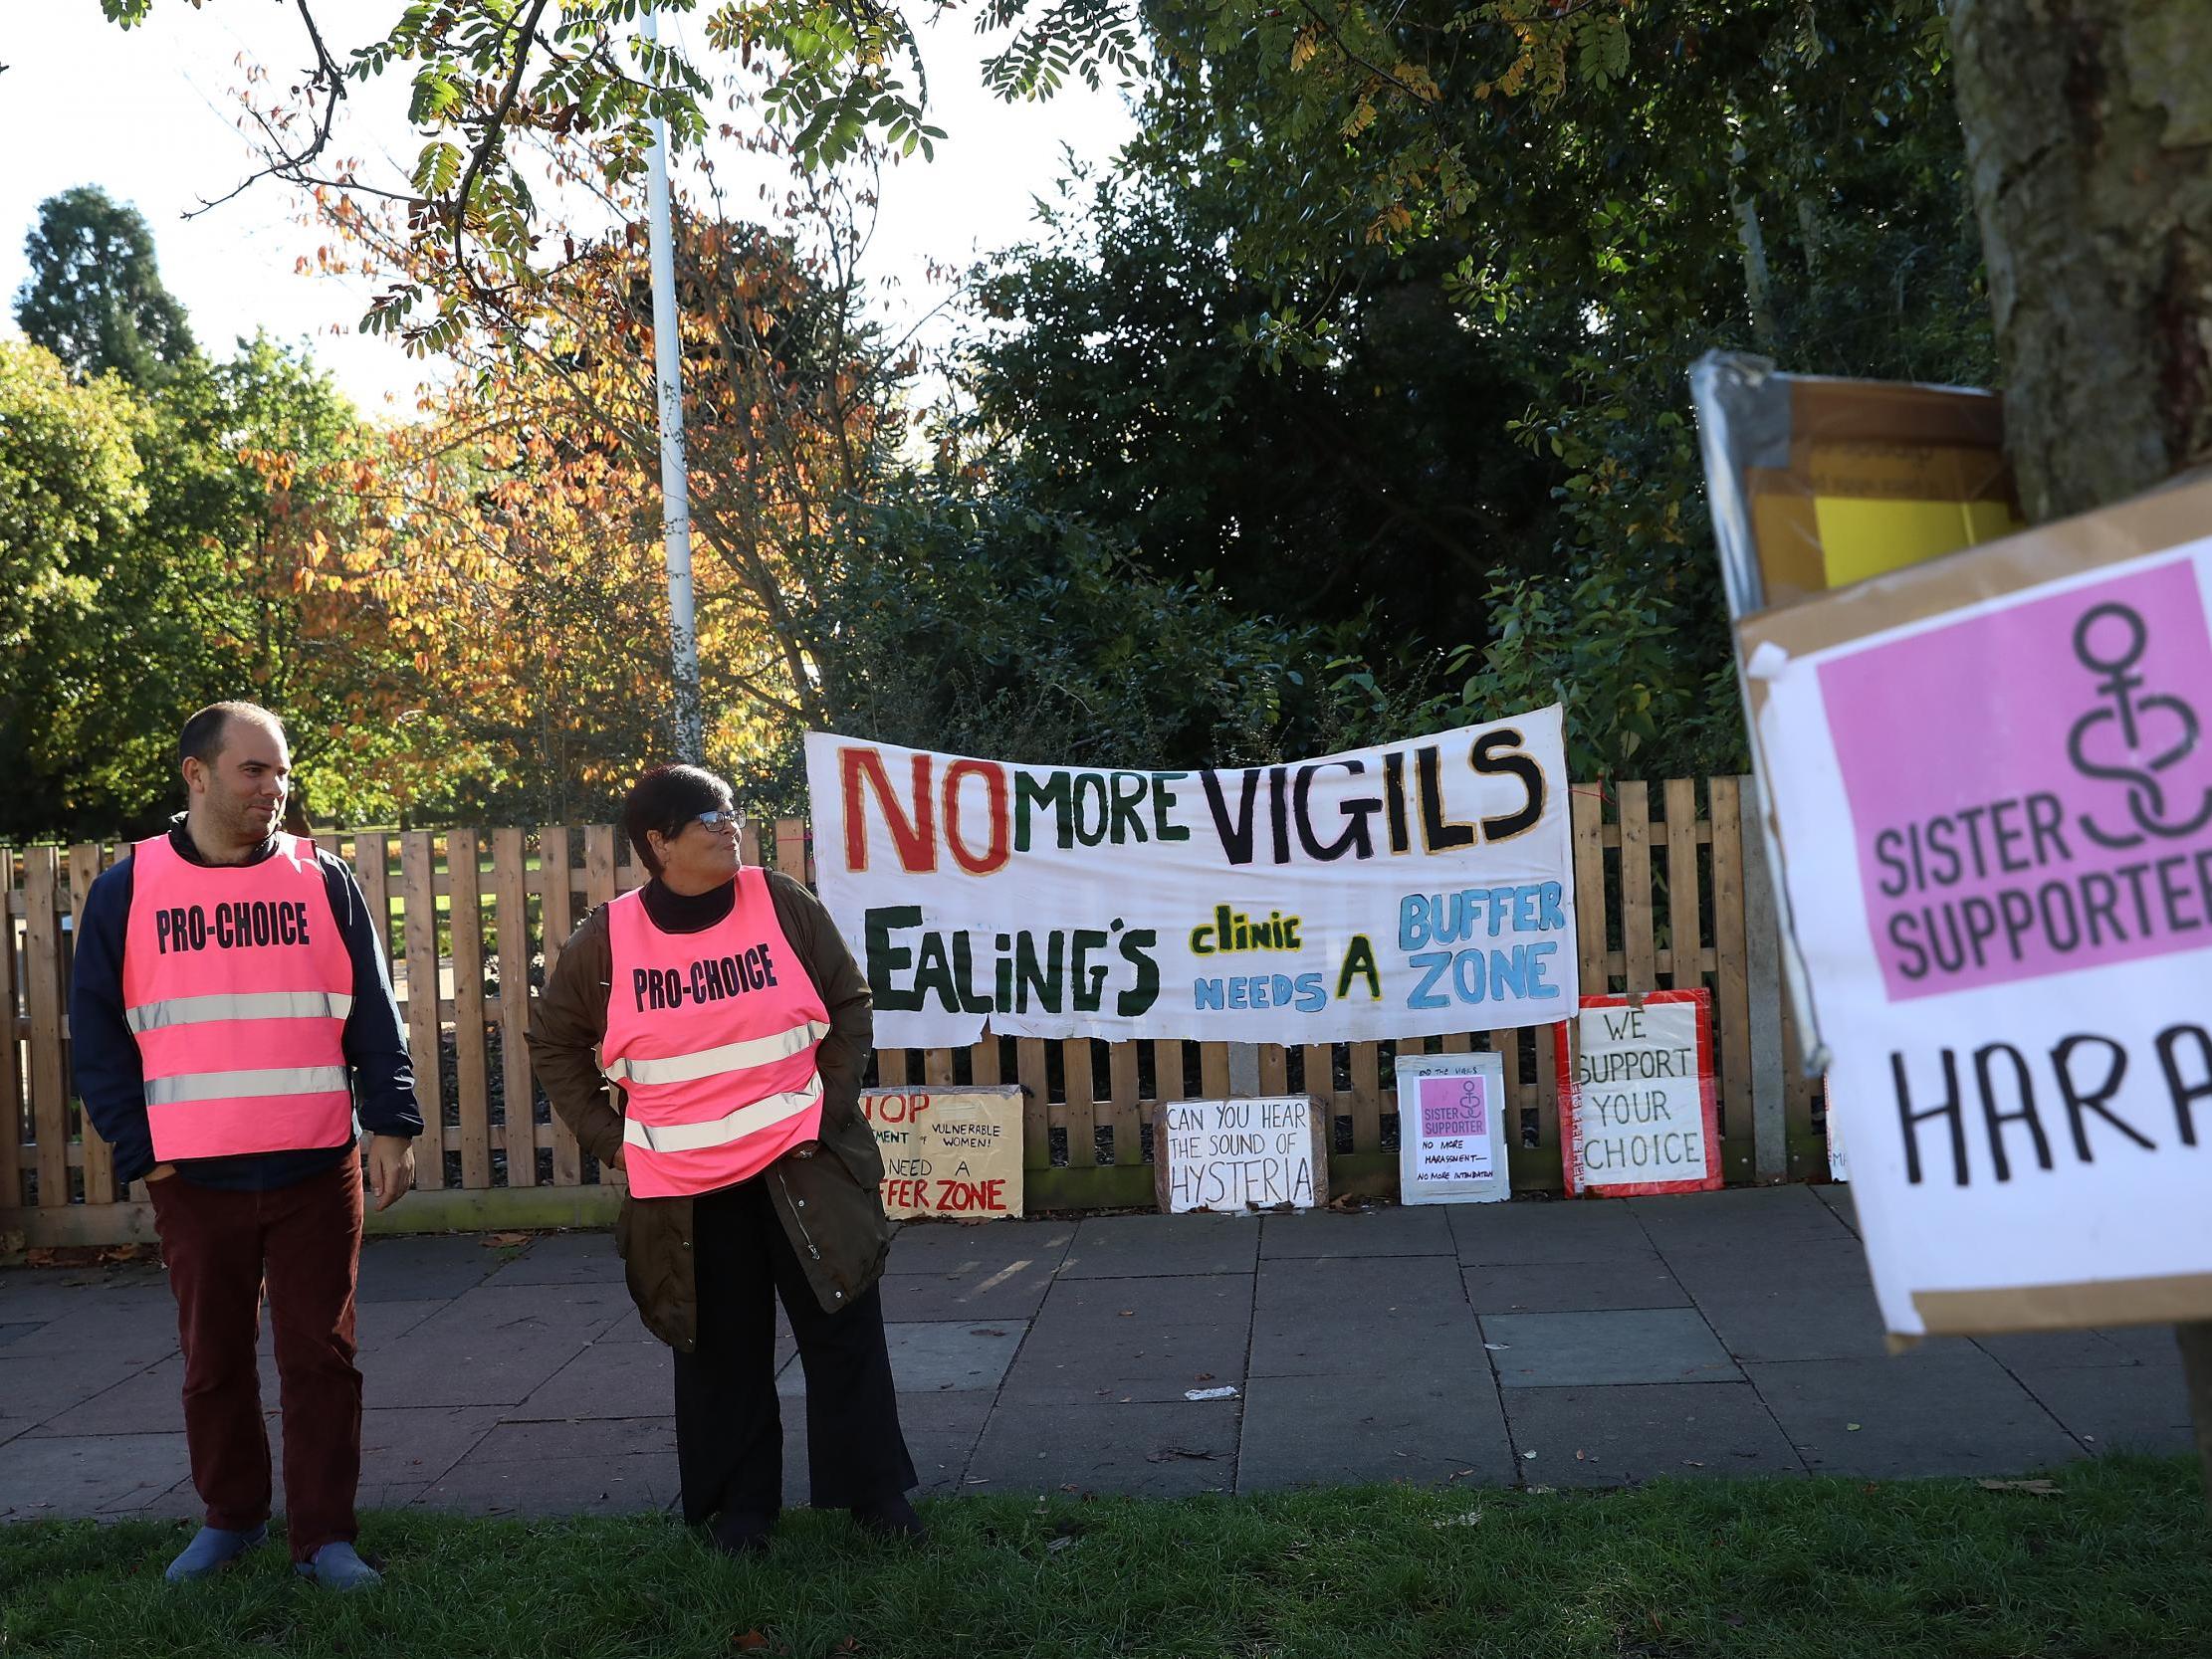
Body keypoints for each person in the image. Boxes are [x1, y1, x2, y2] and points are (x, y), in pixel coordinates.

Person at [69, 702, 420, 1589]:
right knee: (213, 1360)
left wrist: (391, 1121)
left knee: (320, 1358)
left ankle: (324, 1537)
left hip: (314, 1163)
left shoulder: (324, 879)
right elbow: (99, 1035)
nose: (274, 787)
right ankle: (231, 1518)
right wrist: (139, 1146)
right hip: (193, 1175)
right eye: (252, 770)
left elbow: (372, 1011)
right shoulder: (128, 889)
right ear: (195, 773)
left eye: (281, 771)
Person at [528, 762, 921, 1554]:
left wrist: (825, 1106)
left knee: (843, 1325)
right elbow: (553, 1042)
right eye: (709, 817)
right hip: (686, 1188)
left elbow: (848, 1002)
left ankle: (875, 1495)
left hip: (803, 1165)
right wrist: (615, 1143)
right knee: (718, 1349)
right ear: (659, 842)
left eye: (731, 811)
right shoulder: (608, 939)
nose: (728, 825)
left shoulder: (780, 902)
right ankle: (742, 1512)